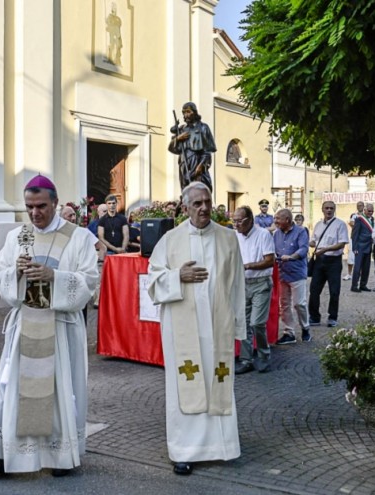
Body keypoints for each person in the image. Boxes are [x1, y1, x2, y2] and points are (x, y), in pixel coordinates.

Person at [0, 175, 98, 479]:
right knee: (9, 388)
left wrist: (54, 276)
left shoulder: (78, 237)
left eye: (41, 206)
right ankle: (0, 455)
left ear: (55, 202)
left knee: (59, 391)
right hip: (24, 324)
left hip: (61, 327)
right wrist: (14, 271)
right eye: (29, 207)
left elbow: (90, 280)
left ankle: (60, 455)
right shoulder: (19, 236)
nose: (35, 213)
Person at [147, 182, 245, 476]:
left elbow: (238, 283)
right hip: (183, 330)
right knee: (186, 386)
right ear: (185, 207)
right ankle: (184, 451)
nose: (203, 208)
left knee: (216, 382)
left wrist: (238, 327)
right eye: (197, 203)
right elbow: (152, 282)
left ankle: (223, 446)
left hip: (218, 326)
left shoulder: (228, 238)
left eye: (207, 202)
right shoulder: (170, 240)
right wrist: (179, 276)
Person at [232, 206, 275, 374]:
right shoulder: (235, 236)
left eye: (239, 221)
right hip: (242, 283)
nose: (236, 225)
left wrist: (248, 265)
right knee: (243, 323)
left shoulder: (263, 234)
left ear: (250, 220)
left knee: (257, 322)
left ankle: (264, 356)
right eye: (234, 221)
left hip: (260, 283)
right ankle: (246, 359)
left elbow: (270, 260)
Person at [308, 201, 349, 328]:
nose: (329, 210)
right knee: (314, 290)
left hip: (334, 262)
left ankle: (332, 317)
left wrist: (325, 249)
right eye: (326, 208)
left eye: (331, 208)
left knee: (334, 291)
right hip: (320, 261)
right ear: (322, 209)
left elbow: (342, 243)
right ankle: (314, 317)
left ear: (335, 209)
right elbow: (314, 240)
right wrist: (312, 243)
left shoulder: (340, 224)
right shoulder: (318, 225)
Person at [274, 208, 311, 343]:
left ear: (287, 220)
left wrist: (291, 257)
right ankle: (289, 332)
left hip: (297, 273)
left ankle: (305, 328)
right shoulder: (276, 234)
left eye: (278, 219)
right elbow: (272, 249)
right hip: (282, 273)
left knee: (299, 303)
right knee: (284, 304)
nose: (275, 221)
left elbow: (303, 249)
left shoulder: (301, 231)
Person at [168, 102, 216, 191]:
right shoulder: (182, 129)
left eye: (188, 112)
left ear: (195, 112)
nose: (186, 115)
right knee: (185, 190)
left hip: (196, 161)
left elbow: (207, 151)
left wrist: (201, 165)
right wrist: (178, 138)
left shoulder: (203, 127)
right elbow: (171, 148)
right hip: (184, 162)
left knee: (199, 189)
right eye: (184, 113)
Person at [349, 203, 374, 292]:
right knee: (357, 267)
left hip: (368, 246)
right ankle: (354, 286)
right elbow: (355, 234)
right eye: (369, 211)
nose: (370, 213)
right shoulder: (359, 219)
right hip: (360, 247)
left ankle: (363, 284)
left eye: (372, 211)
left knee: (366, 267)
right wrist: (354, 247)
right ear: (365, 210)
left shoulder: (372, 219)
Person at [344, 201, 365, 281]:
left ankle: (359, 275)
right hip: (354, 238)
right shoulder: (354, 215)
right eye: (358, 205)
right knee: (351, 256)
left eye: (361, 205)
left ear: (363, 206)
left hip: (362, 239)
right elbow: (352, 223)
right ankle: (349, 274)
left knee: (362, 257)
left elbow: (354, 224)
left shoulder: (366, 215)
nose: (359, 206)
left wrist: (357, 224)